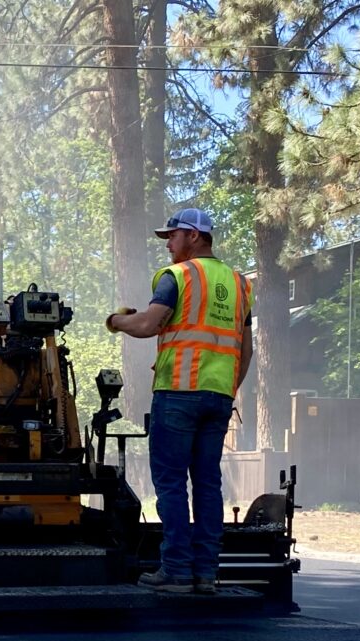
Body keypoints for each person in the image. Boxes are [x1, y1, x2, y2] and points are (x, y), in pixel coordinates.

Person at [106, 208, 254, 595]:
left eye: (172, 236)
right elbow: (247, 348)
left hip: (177, 394)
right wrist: (228, 388)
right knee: (207, 484)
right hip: (219, 398)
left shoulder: (178, 276)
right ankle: (205, 573)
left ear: (193, 236)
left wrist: (115, 321)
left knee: (170, 483)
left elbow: (147, 325)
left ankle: (175, 571)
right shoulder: (240, 284)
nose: (168, 244)